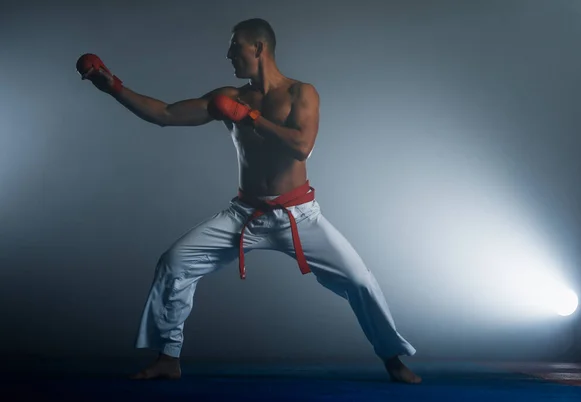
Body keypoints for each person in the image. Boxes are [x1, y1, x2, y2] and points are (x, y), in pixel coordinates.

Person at [77, 18, 421, 384]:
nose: (228, 54)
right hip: (245, 213)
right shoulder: (231, 96)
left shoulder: (301, 94)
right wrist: (114, 88)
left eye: (234, 46)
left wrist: (251, 118)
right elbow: (165, 114)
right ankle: (167, 358)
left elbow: (302, 146)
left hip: (298, 215)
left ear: (258, 47)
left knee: (359, 281)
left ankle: (392, 358)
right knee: (174, 263)